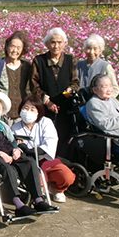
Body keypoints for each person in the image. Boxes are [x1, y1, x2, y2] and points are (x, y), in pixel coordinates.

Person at [0, 92, 58, 217]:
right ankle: (18, 204)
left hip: (8, 152)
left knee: (29, 162)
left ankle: (38, 200)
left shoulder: (3, 125)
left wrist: (17, 150)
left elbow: (12, 140)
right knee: (8, 168)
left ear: (2, 111)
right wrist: (0, 153)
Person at [11, 95, 76, 203]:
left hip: (45, 158)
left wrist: (31, 150)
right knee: (38, 179)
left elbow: (51, 141)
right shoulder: (15, 127)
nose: (28, 112)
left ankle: (57, 189)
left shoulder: (46, 122)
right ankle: (40, 193)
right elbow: (15, 146)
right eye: (25, 108)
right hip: (28, 161)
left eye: (32, 109)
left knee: (67, 176)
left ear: (38, 111)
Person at [30, 27, 79, 157]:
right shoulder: (39, 61)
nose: (56, 45)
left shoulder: (70, 60)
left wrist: (71, 90)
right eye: (52, 42)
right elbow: (34, 85)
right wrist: (47, 101)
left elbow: (75, 82)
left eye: (59, 42)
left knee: (64, 139)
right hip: (45, 109)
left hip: (65, 109)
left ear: (64, 43)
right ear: (47, 44)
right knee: (46, 138)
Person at [77, 34, 119, 98]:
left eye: (95, 49)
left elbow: (115, 89)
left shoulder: (105, 66)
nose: (91, 52)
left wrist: (105, 101)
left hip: (98, 105)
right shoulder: (79, 65)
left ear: (100, 51)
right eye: (89, 48)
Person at [4, 31, 32, 122]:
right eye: (12, 46)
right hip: (3, 112)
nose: (15, 50)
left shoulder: (26, 66)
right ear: (7, 47)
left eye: (18, 47)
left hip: (21, 111)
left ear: (23, 49)